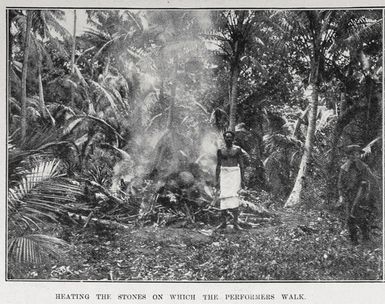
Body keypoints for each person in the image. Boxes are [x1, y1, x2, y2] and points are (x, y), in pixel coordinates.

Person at [337, 144, 377, 245]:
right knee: (349, 219)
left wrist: (366, 187)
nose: (355, 156)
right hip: (348, 196)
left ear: (359, 155)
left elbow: (373, 180)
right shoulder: (344, 168)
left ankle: (366, 239)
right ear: (349, 155)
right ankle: (354, 241)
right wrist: (341, 196)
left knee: (360, 218)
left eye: (357, 154)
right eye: (352, 154)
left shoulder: (364, 167)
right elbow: (340, 183)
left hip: (362, 196)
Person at [215, 130, 245, 230]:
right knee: (223, 197)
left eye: (230, 137)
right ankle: (223, 223)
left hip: (234, 173)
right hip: (224, 174)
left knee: (234, 197)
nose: (228, 139)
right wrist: (216, 180)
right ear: (224, 138)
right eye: (226, 137)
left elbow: (241, 165)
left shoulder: (237, 149)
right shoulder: (220, 150)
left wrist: (243, 180)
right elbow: (218, 165)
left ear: (233, 138)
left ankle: (235, 223)